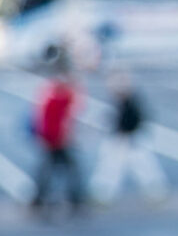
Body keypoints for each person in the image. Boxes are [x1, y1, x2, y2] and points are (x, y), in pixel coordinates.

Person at [89, 71, 168, 205]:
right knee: (111, 168)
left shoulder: (131, 103)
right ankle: (103, 195)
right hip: (123, 140)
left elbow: (134, 121)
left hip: (130, 140)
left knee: (142, 168)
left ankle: (155, 194)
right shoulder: (123, 102)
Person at [30, 59, 87, 218]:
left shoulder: (53, 95)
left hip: (55, 139)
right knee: (59, 170)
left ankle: (44, 198)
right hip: (56, 139)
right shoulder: (58, 97)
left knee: (53, 170)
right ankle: (71, 198)